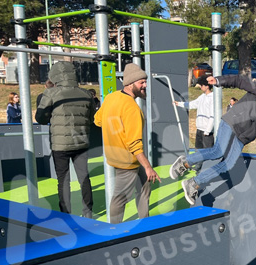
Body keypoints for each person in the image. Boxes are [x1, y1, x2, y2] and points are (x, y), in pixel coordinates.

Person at [170, 72, 256, 205]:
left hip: (244, 136)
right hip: (233, 121)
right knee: (218, 151)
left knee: (228, 164)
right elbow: (240, 81)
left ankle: (194, 183)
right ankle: (185, 161)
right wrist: (219, 80)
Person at [94, 63, 161, 223]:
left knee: (145, 183)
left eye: (145, 81)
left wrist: (116, 130)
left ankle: (144, 221)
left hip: (115, 155)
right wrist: (148, 166)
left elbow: (97, 120)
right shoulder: (132, 108)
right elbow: (134, 143)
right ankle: (114, 230)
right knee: (120, 198)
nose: (145, 85)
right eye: (141, 82)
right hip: (126, 160)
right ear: (130, 84)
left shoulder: (112, 97)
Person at [36, 61, 95, 218]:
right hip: (81, 142)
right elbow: (91, 119)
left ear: (54, 76)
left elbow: (40, 118)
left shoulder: (51, 93)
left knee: (63, 179)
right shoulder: (86, 94)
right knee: (84, 176)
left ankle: (66, 215)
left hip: (60, 144)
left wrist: (52, 116)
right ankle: (87, 212)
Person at [174, 75, 214, 149]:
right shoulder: (202, 96)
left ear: (207, 86)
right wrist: (179, 104)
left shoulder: (213, 98)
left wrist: (207, 131)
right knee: (198, 152)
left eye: (202, 85)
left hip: (207, 132)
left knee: (208, 152)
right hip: (199, 129)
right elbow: (192, 104)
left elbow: (213, 116)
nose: (200, 87)